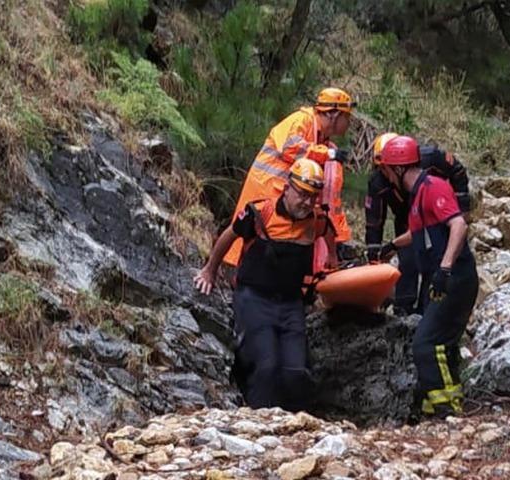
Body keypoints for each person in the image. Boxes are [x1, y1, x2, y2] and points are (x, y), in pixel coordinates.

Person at [195, 159, 335, 411]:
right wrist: (209, 270)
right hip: (254, 298)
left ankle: (297, 428)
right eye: (302, 194)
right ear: (287, 188)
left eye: (312, 197)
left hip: (291, 303)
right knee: (266, 366)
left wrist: (333, 261)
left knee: (295, 372)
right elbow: (228, 235)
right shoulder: (260, 213)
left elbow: (329, 234)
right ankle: (257, 420)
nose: (306, 202)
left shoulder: (316, 221)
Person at [376, 135, 479, 419]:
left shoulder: (433, 187)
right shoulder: (418, 195)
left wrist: (445, 268)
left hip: (454, 278)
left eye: (385, 170)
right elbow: (419, 232)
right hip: (443, 278)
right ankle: (436, 406)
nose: (384, 177)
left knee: (425, 342)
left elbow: (458, 225)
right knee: (441, 342)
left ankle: (447, 410)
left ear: (396, 169)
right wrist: (392, 245)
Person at [223, 87, 355, 267]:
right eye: (346, 117)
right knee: (250, 238)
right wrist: (327, 154)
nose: (348, 123)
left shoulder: (321, 138)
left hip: (286, 195)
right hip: (267, 189)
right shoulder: (302, 121)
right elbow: (290, 147)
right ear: (334, 114)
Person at [366, 132, 471, 315]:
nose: (385, 174)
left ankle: (431, 304)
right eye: (381, 169)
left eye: (387, 169)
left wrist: (461, 206)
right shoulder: (378, 182)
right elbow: (374, 221)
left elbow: (457, 170)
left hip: (435, 211)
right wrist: (375, 254)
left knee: (437, 256)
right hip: (406, 217)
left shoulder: (430, 158)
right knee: (408, 260)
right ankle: (404, 308)